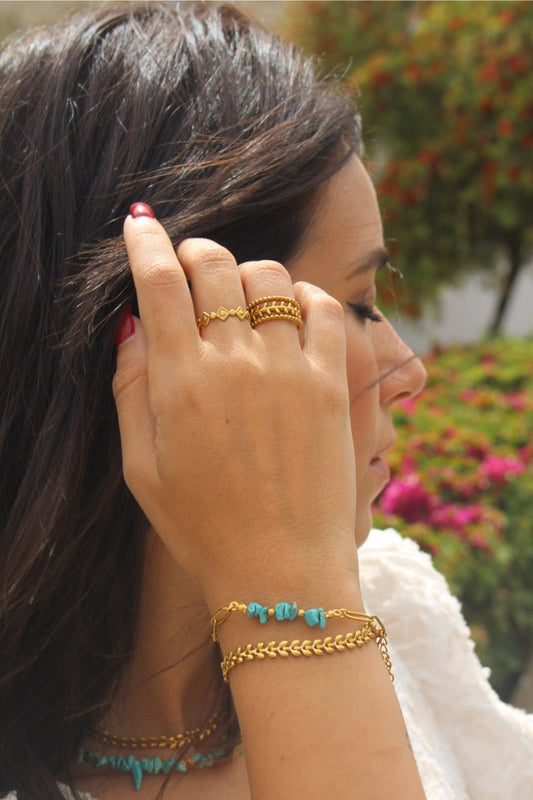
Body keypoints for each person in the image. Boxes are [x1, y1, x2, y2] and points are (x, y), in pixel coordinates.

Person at [0, 3, 531, 800]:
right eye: (357, 303)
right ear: (166, 344)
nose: (408, 368)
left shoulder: (393, 606)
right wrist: (292, 595)